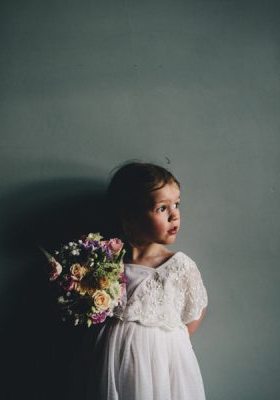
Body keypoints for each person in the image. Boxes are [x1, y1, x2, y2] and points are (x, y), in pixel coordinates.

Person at [90, 160, 209, 400]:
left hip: (160, 365)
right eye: (162, 209)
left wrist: (166, 343)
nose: (174, 215)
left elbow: (195, 312)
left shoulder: (178, 266)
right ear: (129, 215)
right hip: (110, 364)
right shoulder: (106, 263)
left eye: (176, 204)